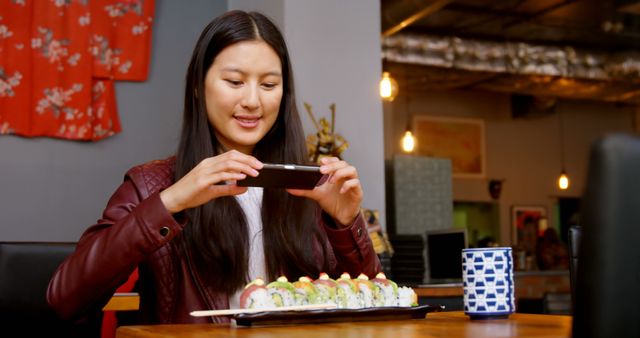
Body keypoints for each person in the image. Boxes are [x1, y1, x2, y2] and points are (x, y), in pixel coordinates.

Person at [47, 10, 381, 325]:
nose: (253, 100)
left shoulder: (311, 189)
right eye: (235, 82)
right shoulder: (151, 184)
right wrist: (170, 202)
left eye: (268, 85)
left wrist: (344, 223)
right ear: (197, 86)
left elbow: (373, 306)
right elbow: (66, 299)